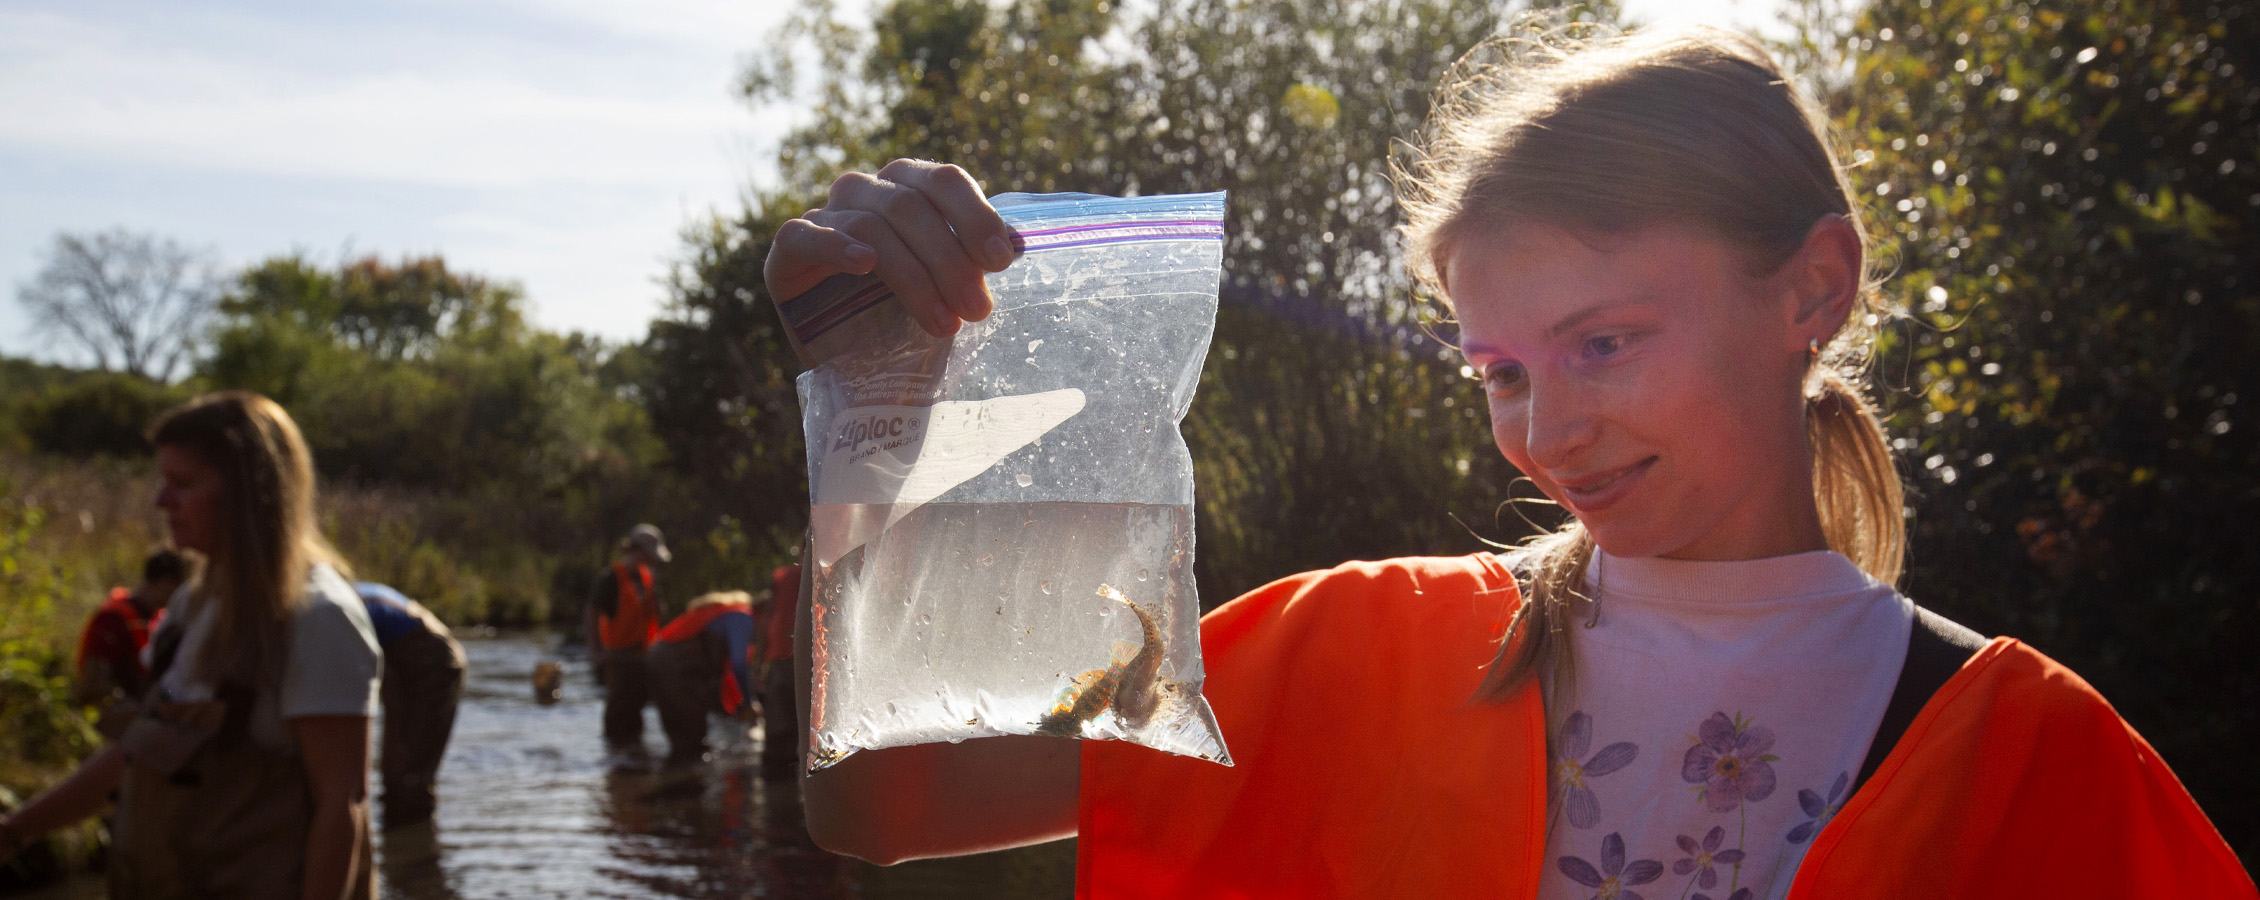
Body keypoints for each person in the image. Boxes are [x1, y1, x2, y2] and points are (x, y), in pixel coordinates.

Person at [758, 24, 2256, 899]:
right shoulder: (1357, 648)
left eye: (1603, 342)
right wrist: (889, 389)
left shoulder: (2035, 760)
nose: (1545, 430)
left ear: (1815, 288)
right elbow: (887, 808)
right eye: (1503, 370)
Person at [0, 391, 381, 899]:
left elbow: (342, 806)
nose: (161, 501)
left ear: (250, 493)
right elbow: (139, 755)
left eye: (182, 483)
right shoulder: (193, 603)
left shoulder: (319, 617)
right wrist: (16, 831)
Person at [355, 581, 466, 830]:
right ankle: (412, 844)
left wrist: (394, 741)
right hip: (431, 651)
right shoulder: (346, 596)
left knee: (408, 773)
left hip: (434, 660)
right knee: (401, 772)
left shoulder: (339, 609)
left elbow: (389, 685)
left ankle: (413, 850)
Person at [646, 590, 760, 764]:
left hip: (655, 658)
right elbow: (739, 664)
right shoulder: (743, 617)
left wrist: (738, 704)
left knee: (681, 737)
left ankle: (679, 777)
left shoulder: (723, 614)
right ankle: (689, 779)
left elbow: (728, 673)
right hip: (674, 665)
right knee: (693, 735)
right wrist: (748, 703)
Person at [73, 548, 189, 716]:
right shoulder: (112, 618)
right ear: (167, 582)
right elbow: (95, 680)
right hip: (118, 715)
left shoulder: (158, 618)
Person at [586, 523, 669, 747]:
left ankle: (632, 761)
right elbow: (591, 614)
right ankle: (615, 764)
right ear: (636, 550)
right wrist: (595, 651)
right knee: (618, 713)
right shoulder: (610, 578)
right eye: (649, 555)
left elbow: (655, 614)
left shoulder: (647, 577)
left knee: (636, 712)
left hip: (643, 657)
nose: (652, 561)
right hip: (618, 658)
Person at [757, 563, 802, 778]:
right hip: (811, 659)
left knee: (777, 731)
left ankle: (776, 784)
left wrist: (759, 665)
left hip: (779, 659)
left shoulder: (781, 575)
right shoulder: (828, 568)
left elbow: (767, 619)